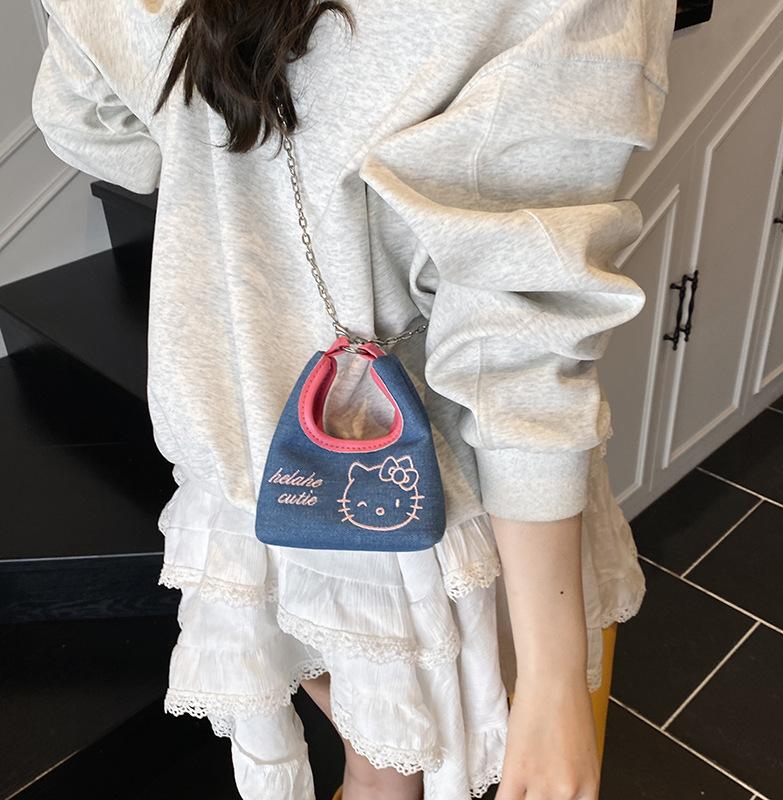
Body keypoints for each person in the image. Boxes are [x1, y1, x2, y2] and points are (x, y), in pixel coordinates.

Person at [31, 0, 675, 797]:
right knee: (416, 759)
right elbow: (518, 333)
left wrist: (234, 169)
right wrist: (552, 677)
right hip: (428, 483)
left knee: (373, 759)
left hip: (240, 446)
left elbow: (93, 127)